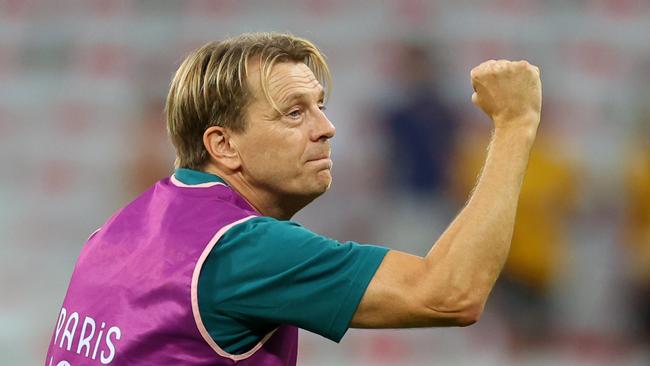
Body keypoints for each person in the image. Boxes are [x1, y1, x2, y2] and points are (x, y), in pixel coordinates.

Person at [45, 32, 542, 365]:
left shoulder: (113, 232)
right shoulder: (242, 248)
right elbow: (450, 294)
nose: (327, 129)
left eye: (320, 107)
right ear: (224, 145)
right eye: (293, 113)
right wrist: (515, 125)